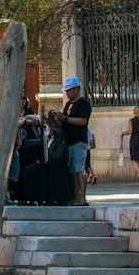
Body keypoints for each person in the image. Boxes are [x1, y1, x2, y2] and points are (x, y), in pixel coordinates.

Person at [60, 76, 93, 205]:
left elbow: (83, 121)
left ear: (75, 89)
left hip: (79, 140)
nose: (67, 93)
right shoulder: (68, 104)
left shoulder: (83, 104)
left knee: (79, 169)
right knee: (73, 170)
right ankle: (76, 195)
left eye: (68, 90)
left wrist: (65, 119)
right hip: (69, 140)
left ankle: (82, 196)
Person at [121, 105, 139, 182]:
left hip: (134, 139)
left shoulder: (131, 121)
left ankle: (138, 171)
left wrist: (123, 133)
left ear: (134, 112)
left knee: (134, 158)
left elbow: (130, 131)